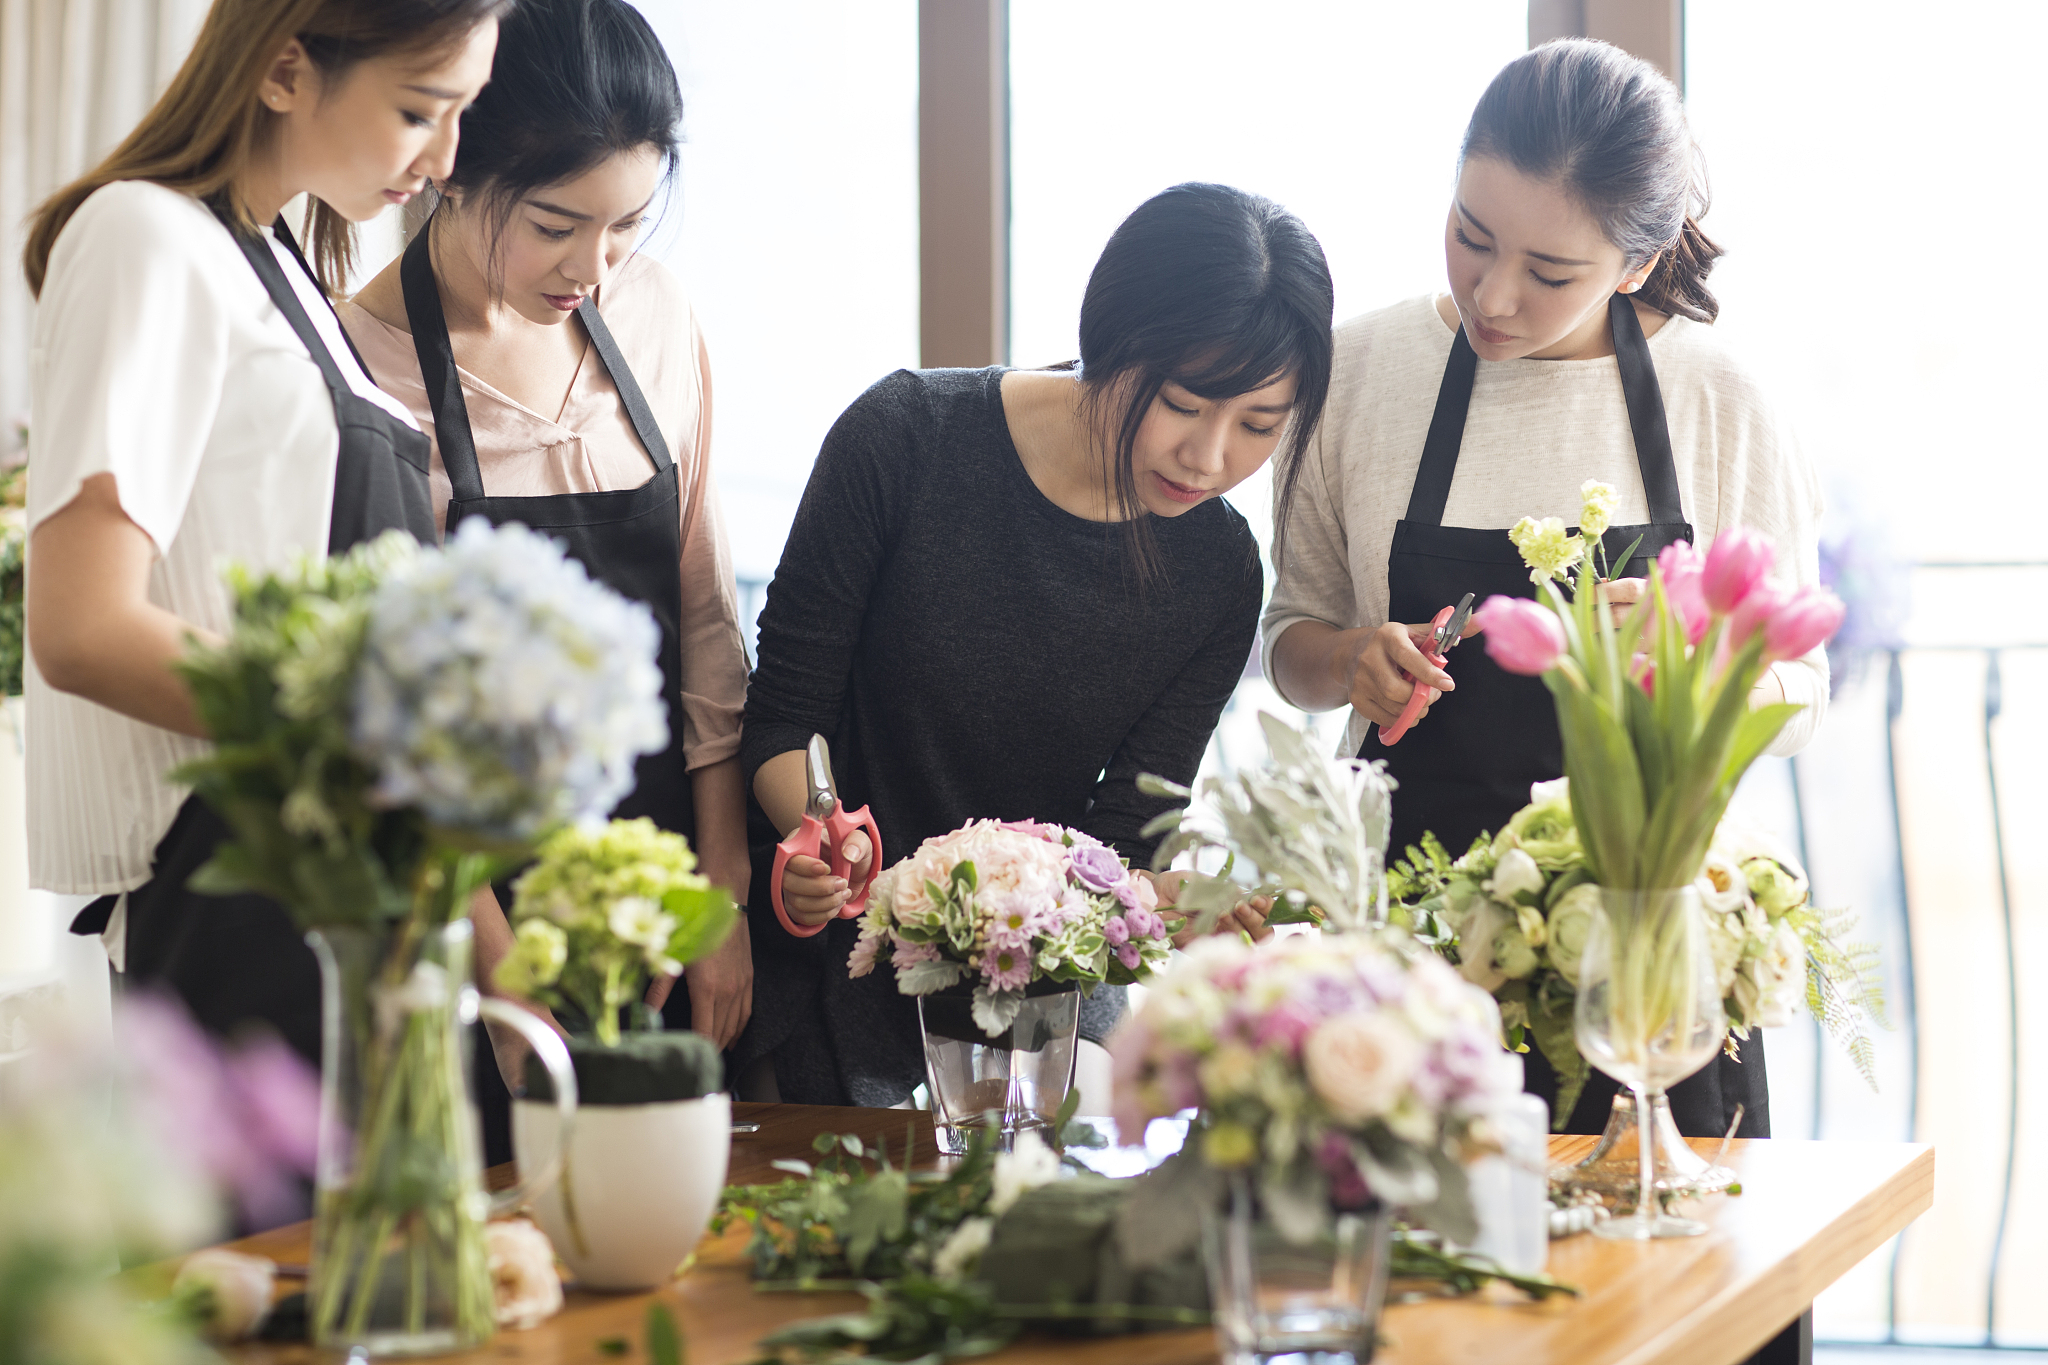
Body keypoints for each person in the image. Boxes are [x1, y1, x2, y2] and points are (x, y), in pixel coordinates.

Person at [1264, 40, 1825, 1139]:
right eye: (1469, 236)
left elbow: (1800, 692)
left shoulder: (1717, 398)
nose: (1493, 295)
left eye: (1550, 273)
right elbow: (1290, 639)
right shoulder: (1358, 372)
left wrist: (1701, 658)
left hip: (1646, 956)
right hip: (1406, 955)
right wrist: (1348, 658)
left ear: (1636, 262)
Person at [741, 182, 1334, 1106]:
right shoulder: (905, 438)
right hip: (838, 953)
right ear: (1111, 340)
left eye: (1259, 425)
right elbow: (784, 716)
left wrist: (1160, 900)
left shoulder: (1219, 570)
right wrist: (823, 844)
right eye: (1183, 404)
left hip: (1040, 985)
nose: (1210, 456)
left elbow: (1124, 832)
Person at [24, 0, 506, 1063]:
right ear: (285, 70)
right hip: (244, 899)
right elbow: (82, 626)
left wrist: (495, 953)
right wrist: (364, 743)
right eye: (419, 111)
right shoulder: (144, 234)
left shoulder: (281, 269)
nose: (443, 161)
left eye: (461, 115)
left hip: (353, 890)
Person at [338, 0, 753, 1086]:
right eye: (557, 225)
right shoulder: (361, 368)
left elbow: (705, 620)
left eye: (627, 225)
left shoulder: (654, 315)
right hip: (467, 899)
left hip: (660, 888)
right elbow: (388, 720)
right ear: (450, 167)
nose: (595, 269)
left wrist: (719, 890)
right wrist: (498, 969)